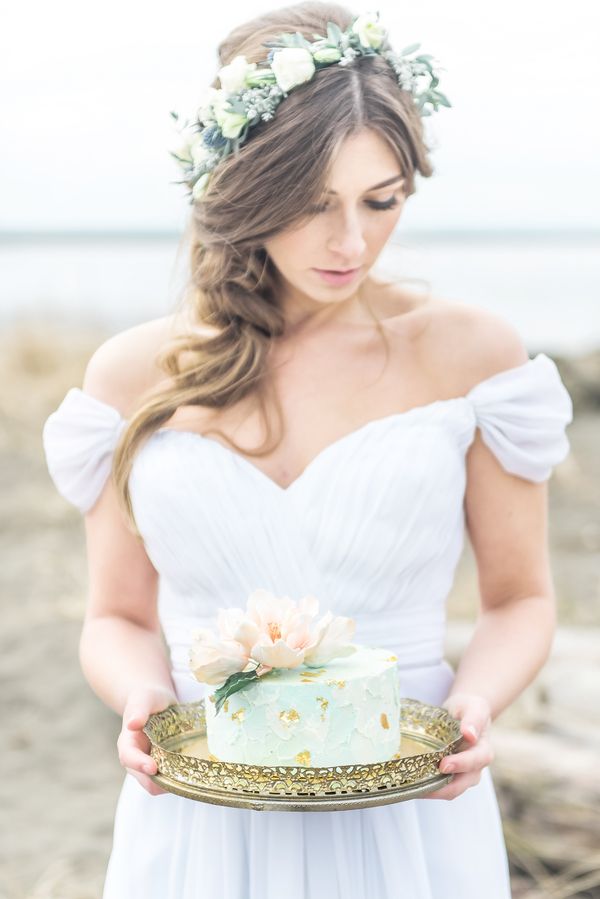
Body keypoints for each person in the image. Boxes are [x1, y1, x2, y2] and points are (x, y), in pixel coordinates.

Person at [42, 3, 573, 897]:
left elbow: (520, 598)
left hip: (411, 807)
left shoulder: (473, 356)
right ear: (244, 185)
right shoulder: (131, 373)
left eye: (382, 200)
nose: (352, 242)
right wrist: (142, 696)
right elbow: (118, 617)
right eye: (314, 204)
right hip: (203, 805)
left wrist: (475, 703)